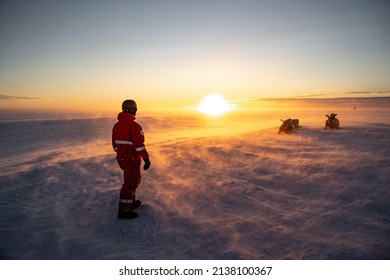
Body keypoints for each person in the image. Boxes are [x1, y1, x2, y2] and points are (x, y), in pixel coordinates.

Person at [112, 99, 151, 219]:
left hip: (122, 159)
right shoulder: (134, 126)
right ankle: (124, 210)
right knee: (130, 183)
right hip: (132, 159)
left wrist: (121, 154)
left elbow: (114, 144)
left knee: (132, 181)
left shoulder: (117, 125)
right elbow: (139, 146)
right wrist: (146, 158)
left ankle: (131, 203)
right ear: (134, 110)